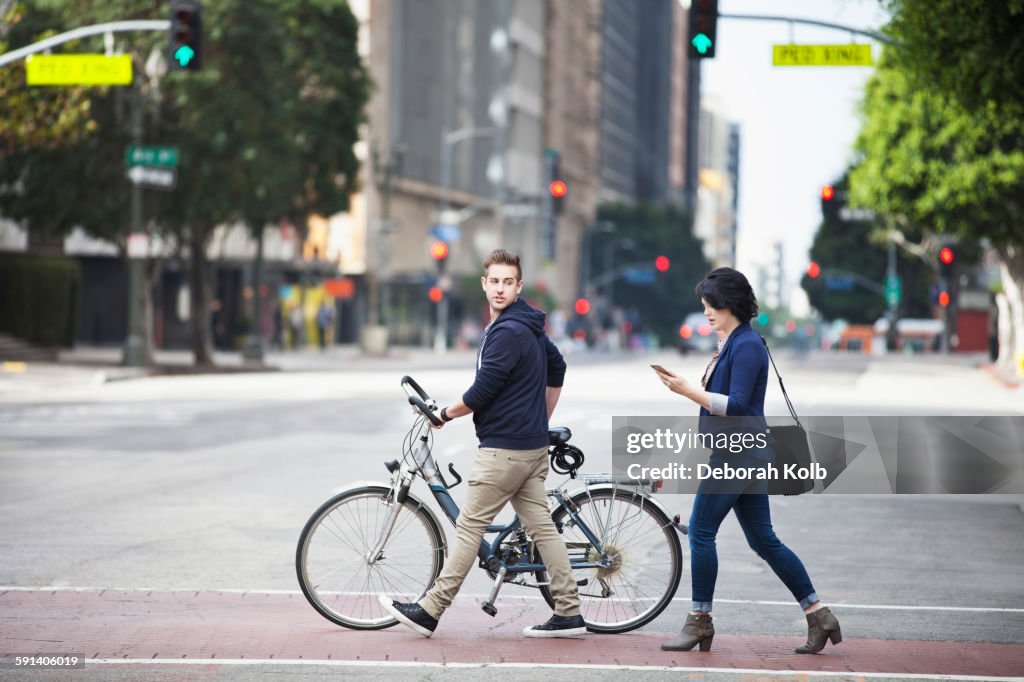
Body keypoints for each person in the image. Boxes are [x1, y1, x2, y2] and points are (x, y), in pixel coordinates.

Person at [380, 248, 584, 639]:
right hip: (528, 447)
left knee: (469, 526)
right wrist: (541, 418)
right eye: (495, 281)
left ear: (519, 286)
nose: (500, 289)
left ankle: (430, 609)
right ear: (484, 283)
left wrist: (444, 414)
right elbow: (556, 367)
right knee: (542, 526)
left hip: (505, 450)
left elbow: (483, 389)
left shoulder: (508, 331)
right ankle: (570, 611)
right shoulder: (526, 324)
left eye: (509, 282)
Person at [651, 267, 841, 654]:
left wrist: (688, 391)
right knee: (764, 541)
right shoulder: (735, 341)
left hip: (739, 452)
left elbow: (736, 406)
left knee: (702, 532)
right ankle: (819, 615)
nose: (705, 312)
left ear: (728, 304)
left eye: (709, 306)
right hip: (743, 451)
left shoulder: (748, 345)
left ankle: (699, 621)